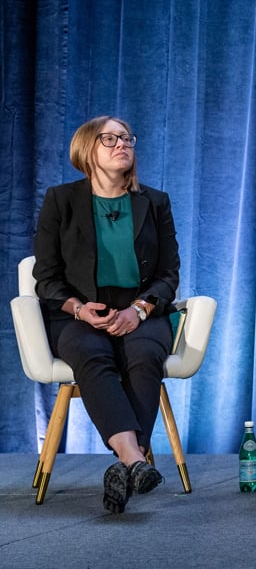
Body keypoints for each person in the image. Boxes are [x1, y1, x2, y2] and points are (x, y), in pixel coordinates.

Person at [33, 116, 180, 513]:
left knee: (145, 356)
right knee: (93, 355)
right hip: (79, 314)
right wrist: (79, 309)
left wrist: (140, 309)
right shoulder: (60, 201)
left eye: (127, 138)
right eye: (109, 139)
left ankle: (123, 463)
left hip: (141, 312)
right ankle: (136, 461)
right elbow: (44, 280)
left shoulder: (154, 202)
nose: (122, 145)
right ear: (86, 150)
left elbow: (169, 274)